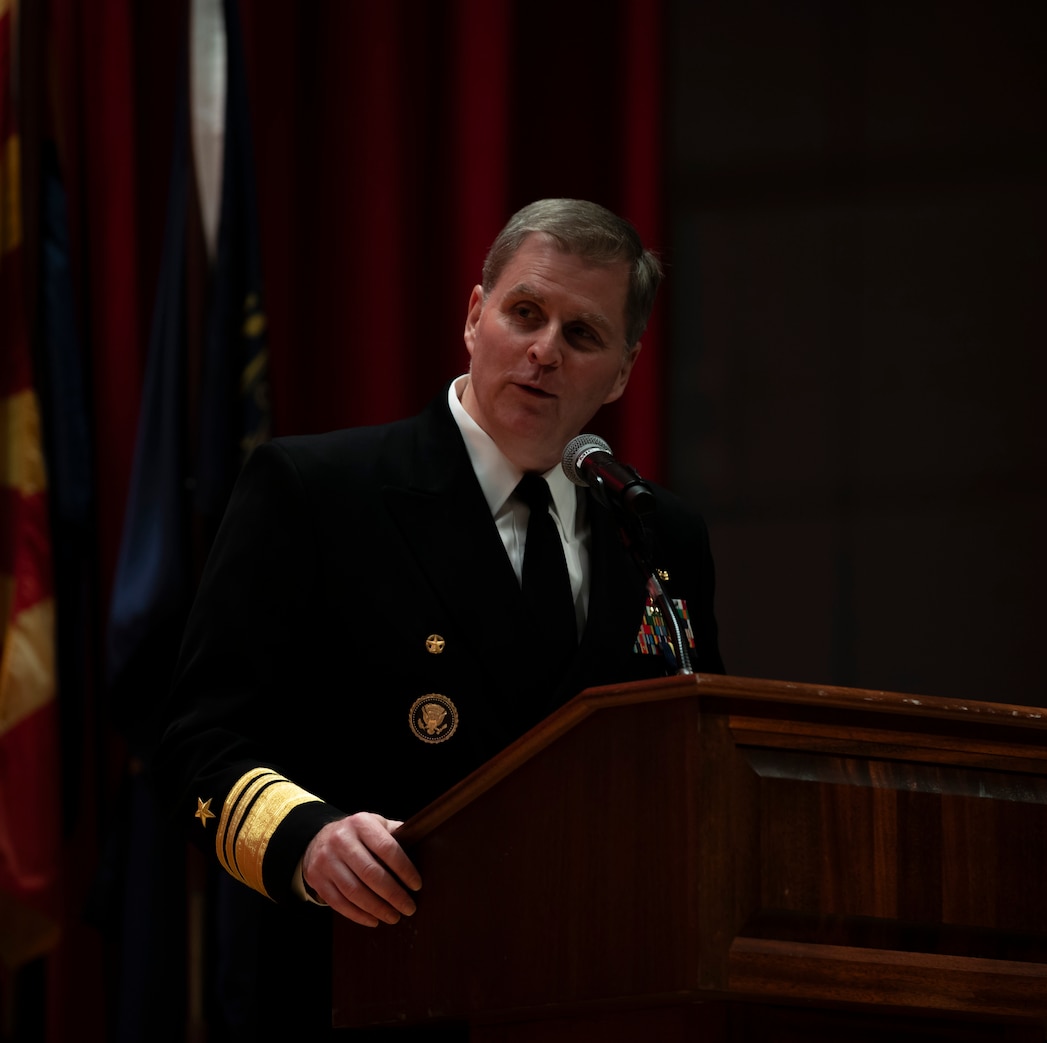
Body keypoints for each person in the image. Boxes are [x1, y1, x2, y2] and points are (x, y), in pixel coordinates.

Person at [149, 199, 723, 1035]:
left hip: (598, 996)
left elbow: (696, 770)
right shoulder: (319, 492)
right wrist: (307, 840)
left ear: (624, 371)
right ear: (473, 315)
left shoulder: (657, 534)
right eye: (525, 312)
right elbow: (197, 743)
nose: (544, 352)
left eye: (582, 334)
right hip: (368, 979)